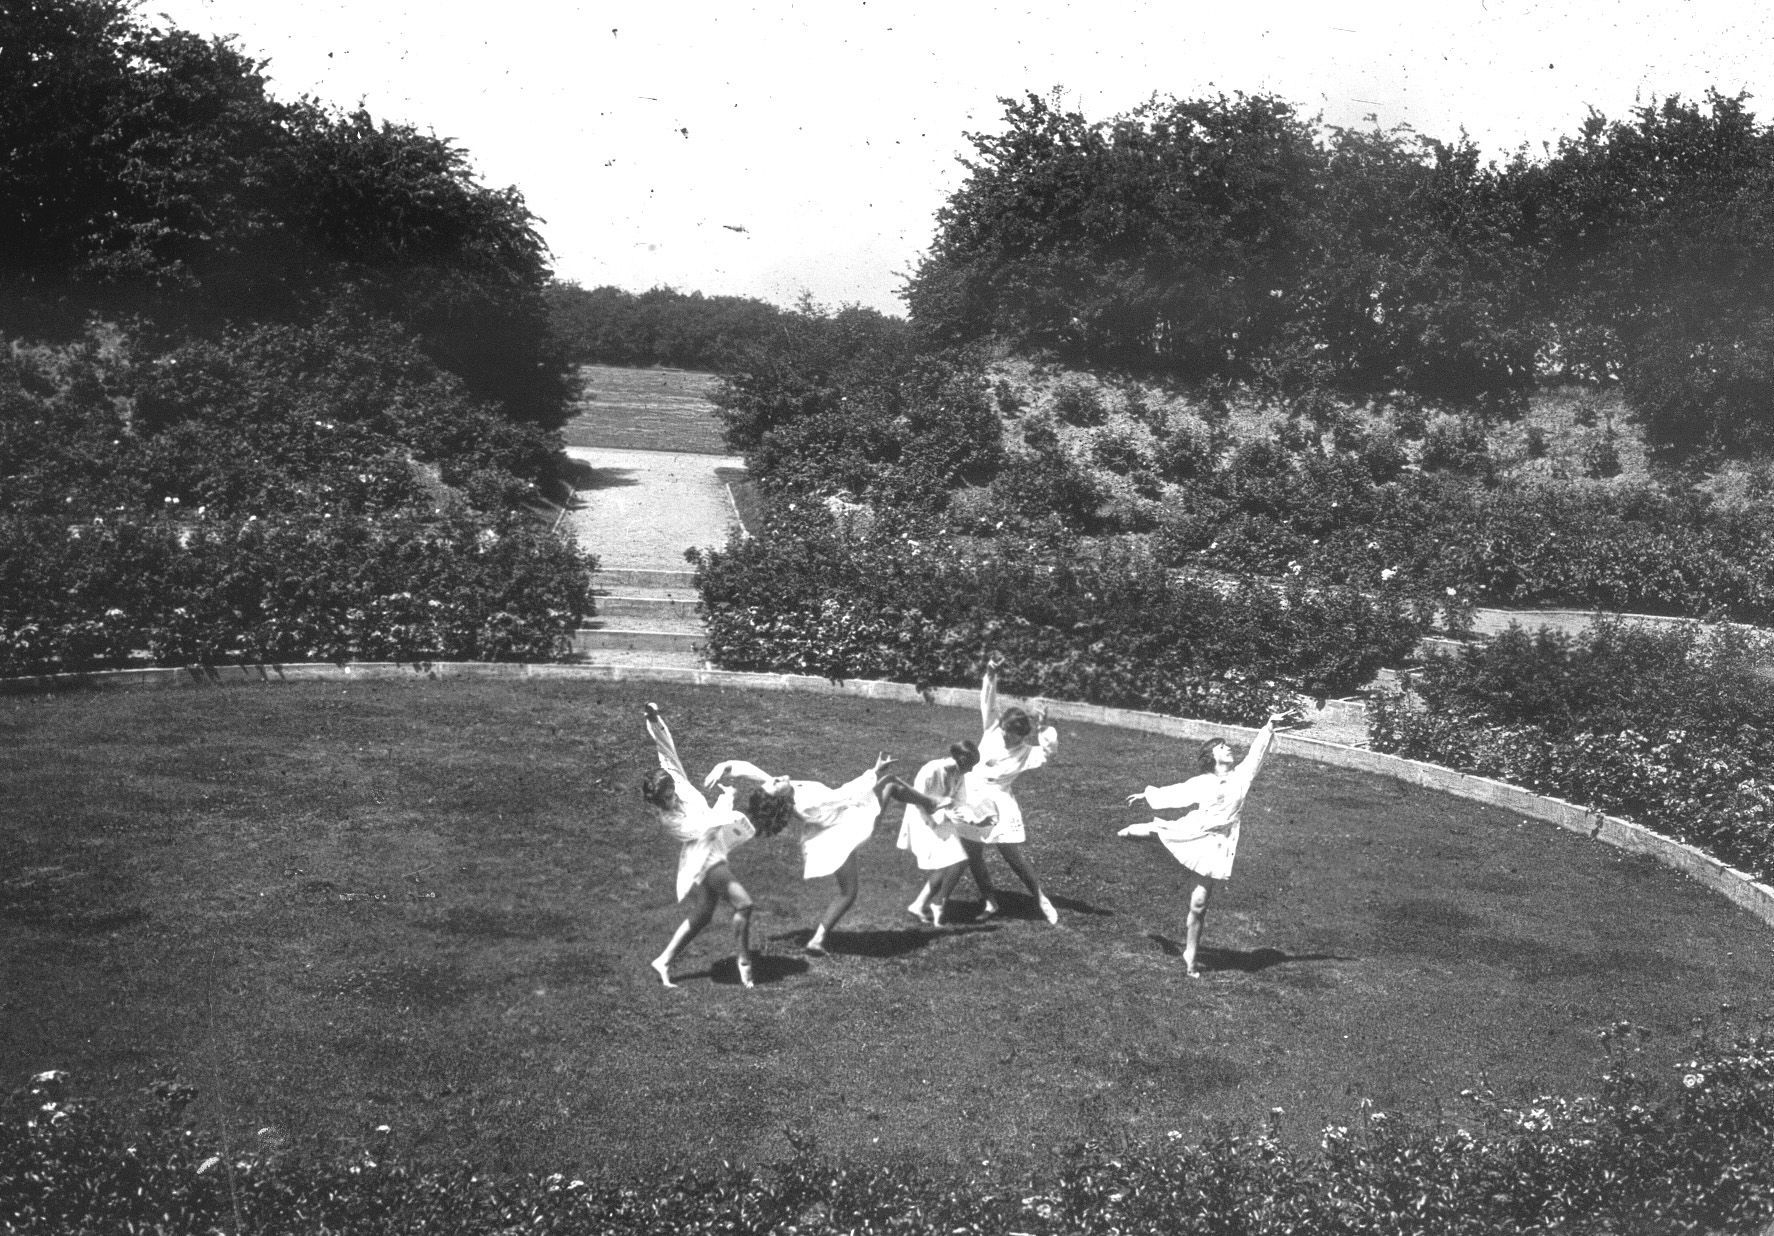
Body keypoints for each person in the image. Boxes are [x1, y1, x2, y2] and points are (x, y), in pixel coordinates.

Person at [703, 754, 951, 956]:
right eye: (776, 783)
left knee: (848, 892)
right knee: (891, 783)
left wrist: (727, 765)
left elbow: (757, 774)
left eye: (775, 780)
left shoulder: (788, 794)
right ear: (782, 797)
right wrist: (873, 772)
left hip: (831, 840)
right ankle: (930, 803)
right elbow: (843, 794)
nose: (777, 778)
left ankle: (817, 939)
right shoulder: (806, 800)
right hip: (849, 828)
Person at [1119, 709, 1292, 977]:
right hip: (1194, 828)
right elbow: (1177, 793)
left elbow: (1257, 754)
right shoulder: (1202, 782)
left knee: (1199, 904)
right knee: (1159, 832)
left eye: (1227, 746)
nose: (1229, 749)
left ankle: (1190, 953)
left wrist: (1269, 726)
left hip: (1217, 843)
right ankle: (1135, 831)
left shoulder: (1242, 776)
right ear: (1212, 757)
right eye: (1222, 748)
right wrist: (1147, 795)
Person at [641, 702, 791, 990]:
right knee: (744, 904)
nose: (674, 799)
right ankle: (744, 963)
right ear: (659, 803)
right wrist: (729, 798)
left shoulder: (676, 781)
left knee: (703, 914)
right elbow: (708, 824)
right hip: (704, 859)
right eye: (668, 799)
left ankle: (663, 960)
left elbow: (666, 749)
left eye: (673, 792)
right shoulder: (670, 821)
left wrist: (654, 719)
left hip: (714, 849)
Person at [959, 654, 1061, 925]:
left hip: (999, 803)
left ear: (1022, 734)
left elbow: (1049, 751)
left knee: (1011, 855)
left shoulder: (1027, 752)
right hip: (971, 796)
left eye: (1010, 733)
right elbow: (988, 700)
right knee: (973, 851)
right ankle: (990, 900)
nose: (1004, 735)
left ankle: (1041, 899)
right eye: (1003, 729)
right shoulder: (992, 727)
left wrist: (1044, 726)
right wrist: (991, 672)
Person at [898, 739, 989, 927]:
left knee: (955, 860)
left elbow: (959, 803)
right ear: (962, 759)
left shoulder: (959, 774)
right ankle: (934, 903)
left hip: (942, 820)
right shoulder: (932, 769)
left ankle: (921, 904)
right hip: (922, 819)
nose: (971, 770)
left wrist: (975, 819)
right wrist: (936, 815)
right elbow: (917, 799)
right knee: (955, 859)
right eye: (970, 765)